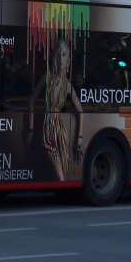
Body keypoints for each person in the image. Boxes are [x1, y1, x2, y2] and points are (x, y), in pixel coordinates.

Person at [26, 38, 84, 182]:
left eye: (64, 54)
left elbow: (81, 112)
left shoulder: (68, 87)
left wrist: (79, 139)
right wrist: (31, 129)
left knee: (61, 173)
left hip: (60, 131)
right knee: (59, 175)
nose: (60, 58)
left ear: (68, 60)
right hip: (47, 130)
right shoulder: (47, 78)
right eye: (58, 54)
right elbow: (31, 100)